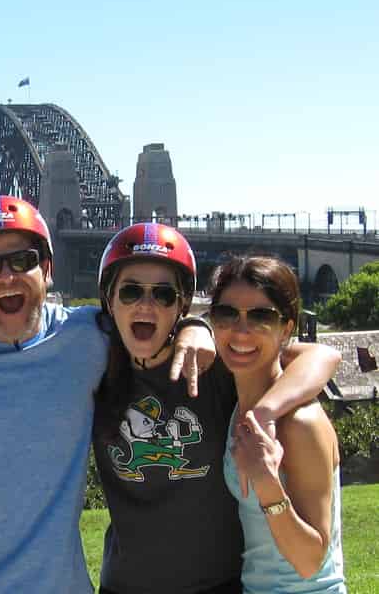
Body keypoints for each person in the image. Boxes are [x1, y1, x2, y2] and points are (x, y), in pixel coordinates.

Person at [0, 196, 217, 594]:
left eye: (23, 260)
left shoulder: (87, 337)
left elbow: (154, 315)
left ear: (47, 269)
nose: (7, 277)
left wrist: (196, 326)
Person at [92, 224, 342, 594]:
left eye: (164, 294)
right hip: (124, 586)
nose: (146, 305)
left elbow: (322, 355)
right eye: (130, 291)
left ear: (181, 304)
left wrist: (263, 414)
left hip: (220, 585)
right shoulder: (91, 366)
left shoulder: (220, 367)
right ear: (109, 300)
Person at [212, 256, 346, 592]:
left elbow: (310, 561)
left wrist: (266, 482)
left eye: (261, 317)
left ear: (286, 328)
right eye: (227, 313)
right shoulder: (241, 406)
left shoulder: (300, 423)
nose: (241, 330)